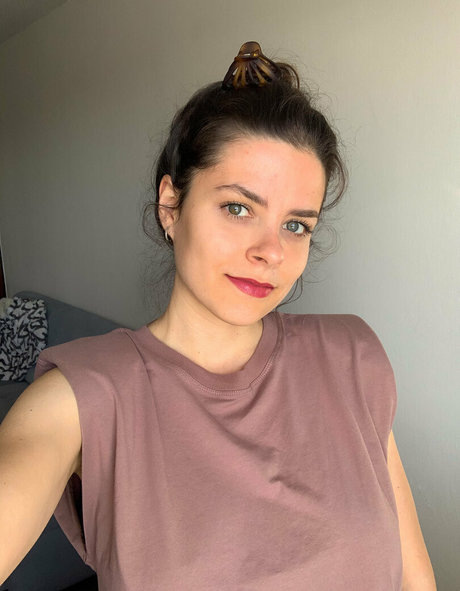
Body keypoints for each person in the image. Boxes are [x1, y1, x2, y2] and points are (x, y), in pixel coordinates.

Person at [0, 42, 436, 590]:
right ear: (171, 206)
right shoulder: (79, 397)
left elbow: (415, 578)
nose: (271, 252)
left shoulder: (351, 357)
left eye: (296, 225)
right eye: (238, 208)